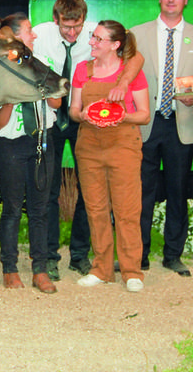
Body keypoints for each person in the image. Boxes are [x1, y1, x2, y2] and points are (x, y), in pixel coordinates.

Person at [33, 0, 143, 281]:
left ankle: (81, 256)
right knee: (49, 190)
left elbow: (136, 56)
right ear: (55, 19)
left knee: (90, 195)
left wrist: (122, 83)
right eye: (66, 27)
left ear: (84, 19)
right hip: (55, 119)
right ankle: (50, 256)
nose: (73, 33)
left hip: (88, 125)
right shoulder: (40, 34)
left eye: (77, 26)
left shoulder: (98, 33)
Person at [130, 0, 193, 277]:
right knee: (142, 193)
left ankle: (173, 256)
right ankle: (138, 255)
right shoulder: (136, 34)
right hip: (145, 123)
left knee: (178, 192)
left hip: (181, 123)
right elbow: (128, 76)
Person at [70, 20, 150, 292]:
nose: (91, 42)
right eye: (92, 37)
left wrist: (120, 116)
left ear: (115, 45)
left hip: (123, 146)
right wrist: (81, 115)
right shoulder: (83, 70)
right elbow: (73, 109)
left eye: (98, 39)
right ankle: (101, 269)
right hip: (89, 147)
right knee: (95, 209)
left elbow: (144, 114)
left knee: (127, 211)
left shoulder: (131, 72)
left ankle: (131, 271)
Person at [0, 12, 59, 294]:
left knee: (40, 209)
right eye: (29, 30)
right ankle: (10, 268)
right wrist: (15, 93)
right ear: (14, 36)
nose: (35, 35)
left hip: (42, 140)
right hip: (10, 145)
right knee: (13, 208)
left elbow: (55, 101)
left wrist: (40, 86)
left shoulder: (42, 63)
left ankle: (40, 269)